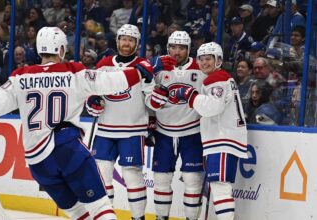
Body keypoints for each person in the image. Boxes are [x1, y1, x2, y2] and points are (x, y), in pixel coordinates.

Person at [0, 26, 156, 220]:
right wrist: (139, 71)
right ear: (61, 49)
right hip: (68, 148)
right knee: (99, 207)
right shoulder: (73, 72)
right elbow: (110, 81)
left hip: (38, 161)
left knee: (78, 212)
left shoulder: (20, 77)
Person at [85, 24, 173, 220]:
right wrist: (92, 104)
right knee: (101, 176)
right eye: (123, 39)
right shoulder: (104, 64)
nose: (126, 43)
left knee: (132, 176)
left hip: (133, 131)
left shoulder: (143, 66)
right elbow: (93, 95)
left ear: (137, 43)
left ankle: (138, 218)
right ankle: (104, 217)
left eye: (131, 40)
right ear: (117, 41)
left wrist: (158, 98)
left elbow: (151, 100)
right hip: (105, 130)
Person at [175, 42, 248, 220]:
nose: (204, 63)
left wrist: (190, 95)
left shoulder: (218, 79)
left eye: (209, 59)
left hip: (223, 139)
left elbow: (212, 108)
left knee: (220, 187)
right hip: (221, 139)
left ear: (219, 60)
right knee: (219, 186)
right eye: (201, 59)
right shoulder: (220, 78)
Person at [151, 31, 206, 220]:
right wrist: (149, 121)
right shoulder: (157, 68)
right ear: (168, 48)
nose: (177, 52)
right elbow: (146, 96)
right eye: (173, 47)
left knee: (192, 180)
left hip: (192, 132)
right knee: (161, 180)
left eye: (181, 48)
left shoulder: (200, 68)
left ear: (188, 49)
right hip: (163, 132)